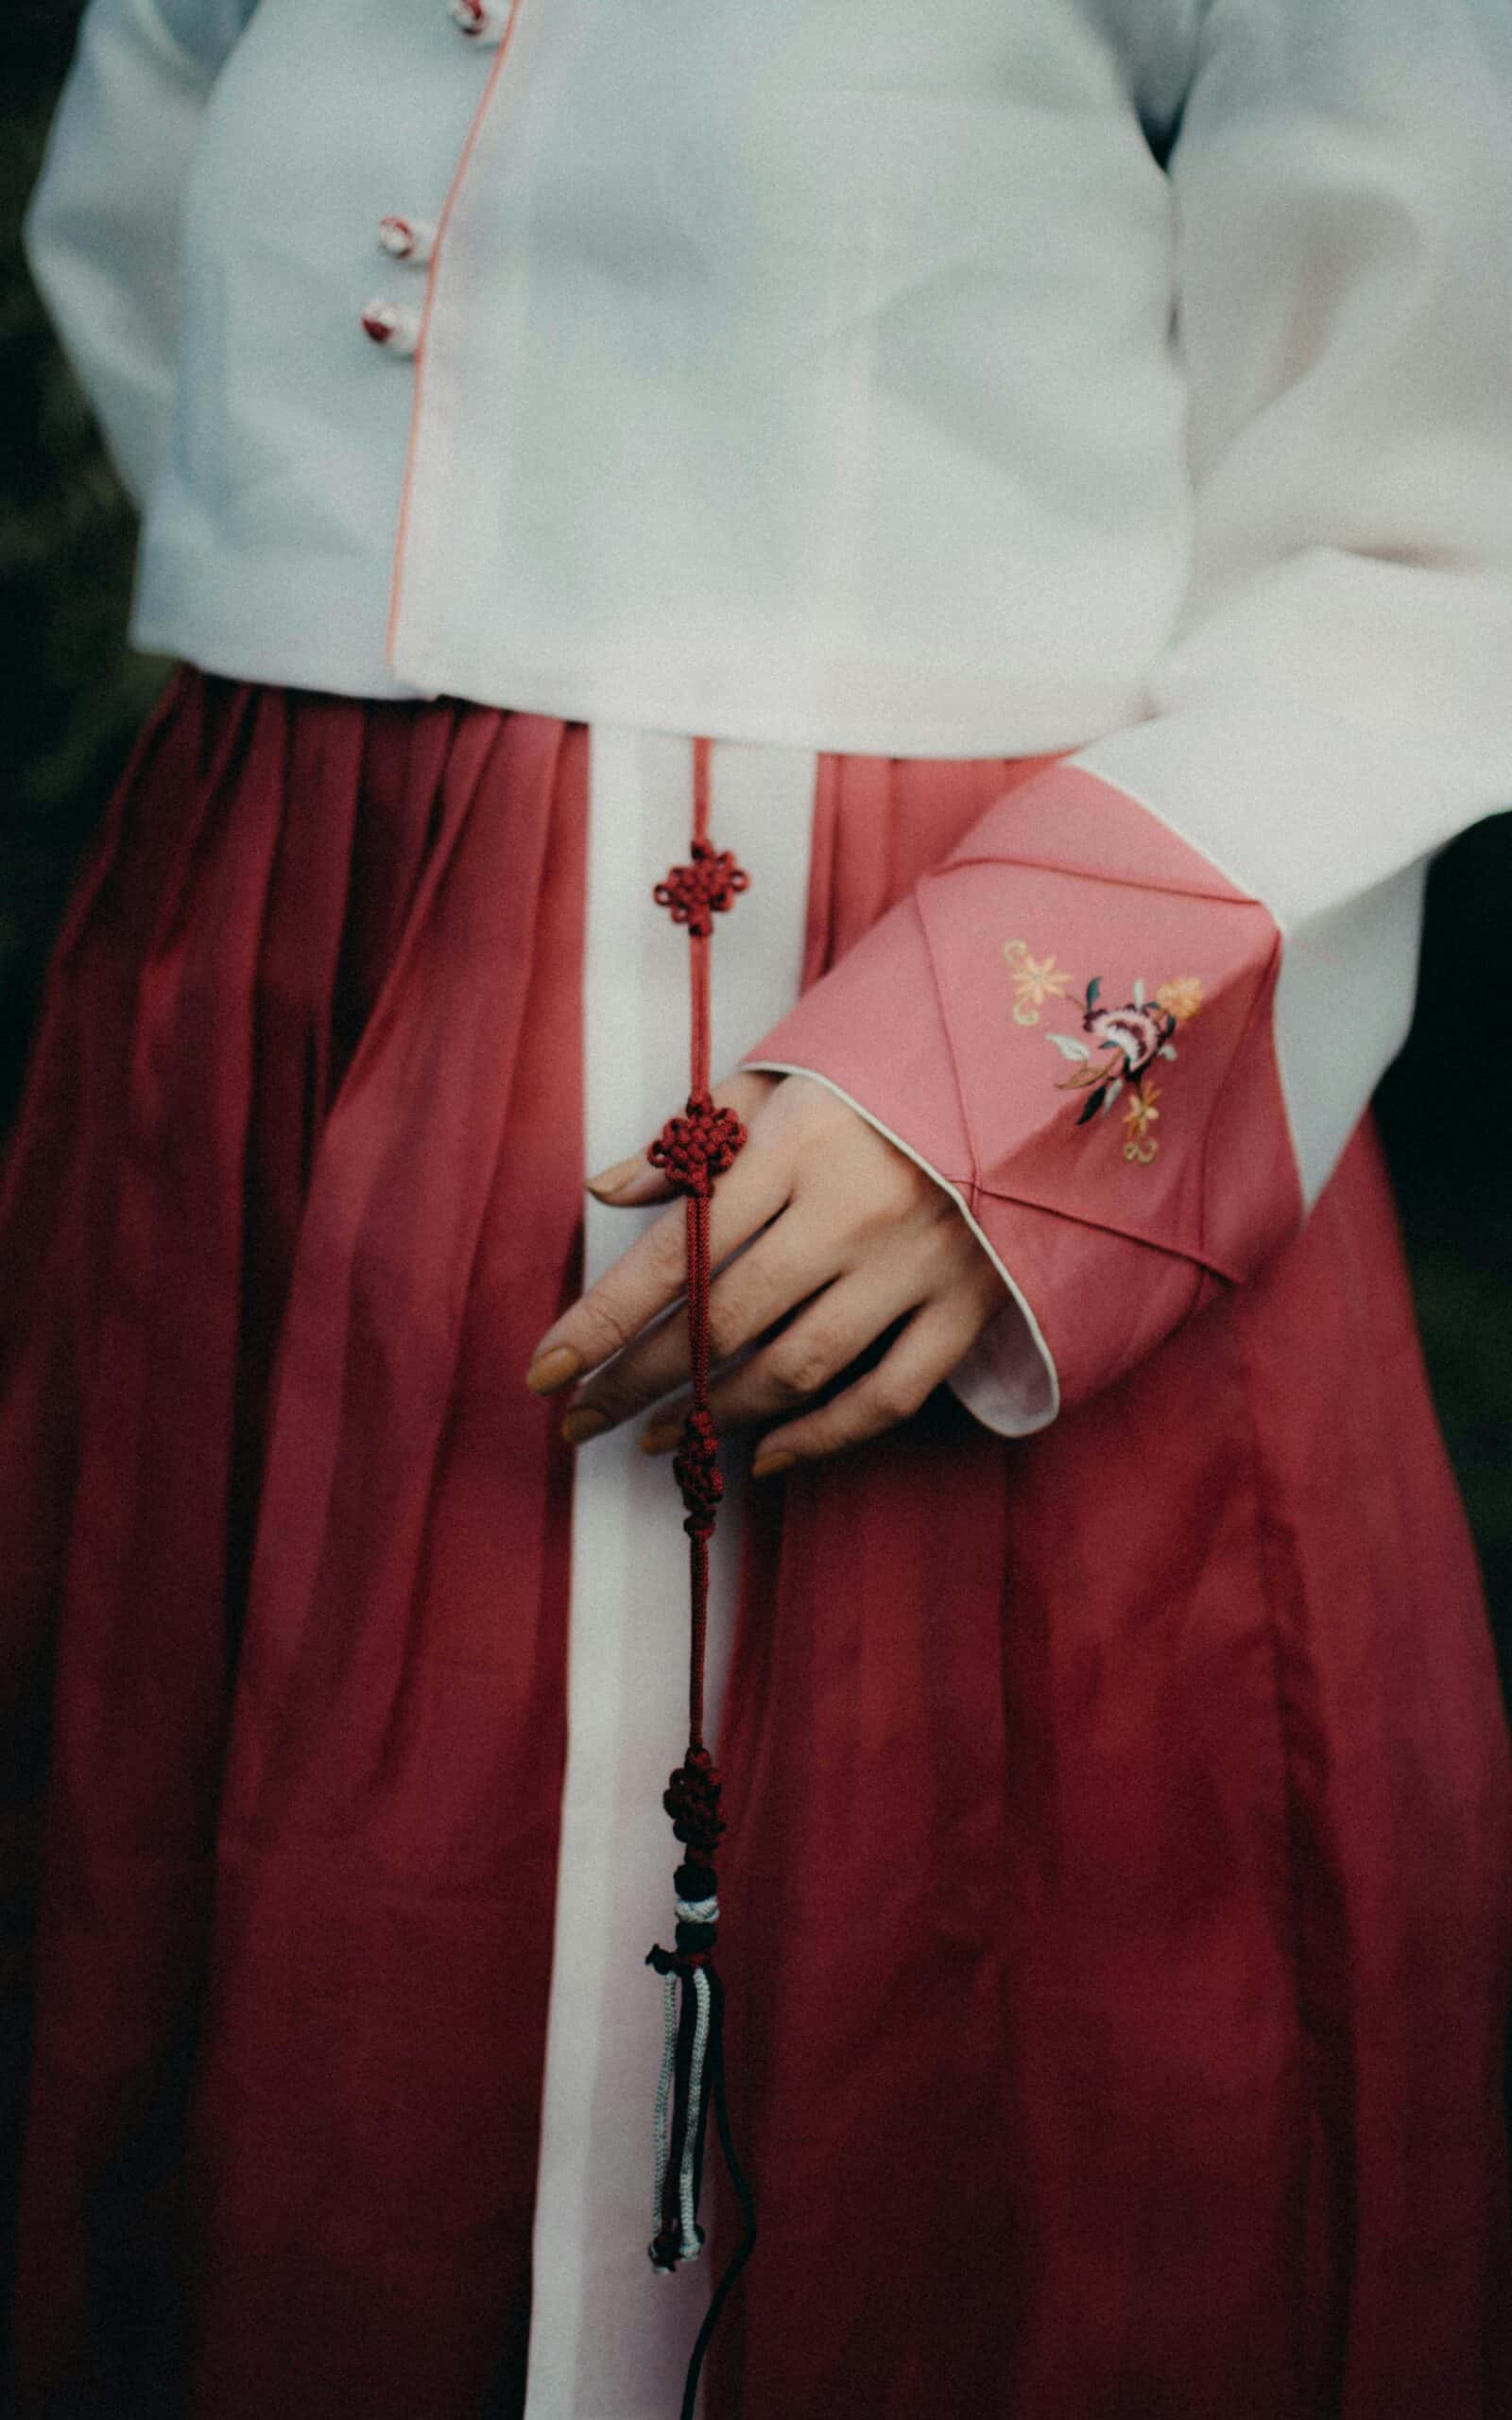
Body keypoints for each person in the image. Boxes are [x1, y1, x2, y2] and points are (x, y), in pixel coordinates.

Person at [5, 0, 1512, 2412]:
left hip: (953, 1089)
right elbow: (166, 242)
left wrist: (996, 1077)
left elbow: (1438, 512)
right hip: (284, 1006)